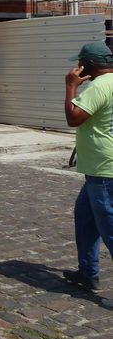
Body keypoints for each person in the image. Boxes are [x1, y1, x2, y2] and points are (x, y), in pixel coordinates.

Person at [63, 41, 113, 302]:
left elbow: (73, 118)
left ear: (90, 65)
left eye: (80, 64)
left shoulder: (98, 87)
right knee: (85, 218)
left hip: (104, 171)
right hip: (97, 169)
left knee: (110, 228)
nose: (77, 68)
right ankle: (87, 272)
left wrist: (71, 85)